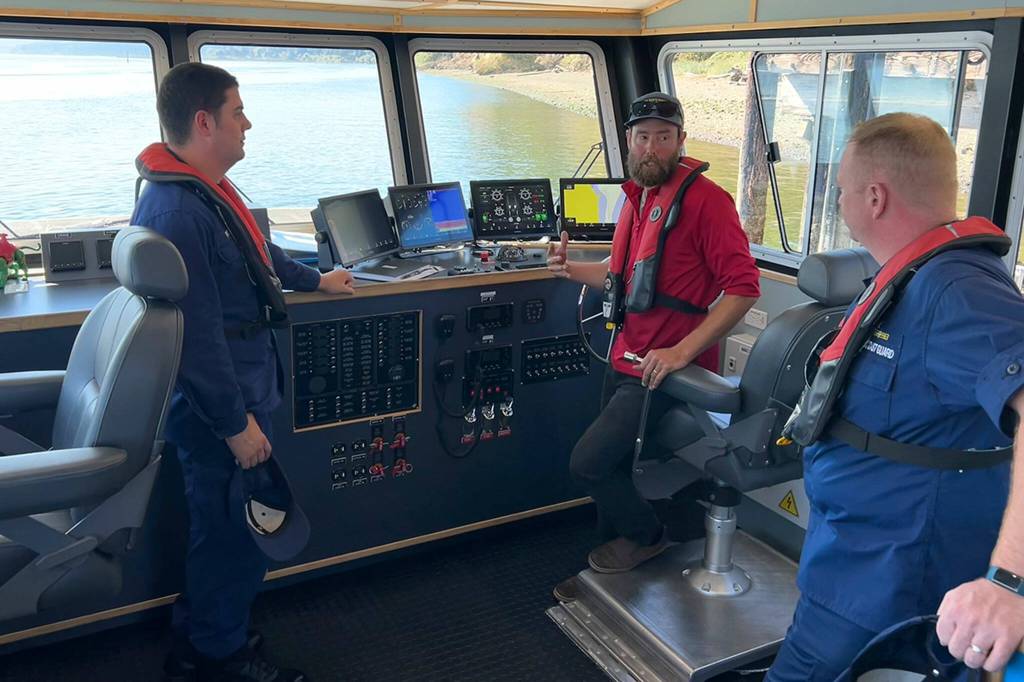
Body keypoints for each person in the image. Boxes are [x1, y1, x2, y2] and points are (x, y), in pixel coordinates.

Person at [766, 113, 1024, 680]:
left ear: (875, 197)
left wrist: (1010, 581)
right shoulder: (916, 276)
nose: (839, 202)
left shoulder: (958, 291)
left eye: (841, 191)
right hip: (856, 562)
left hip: (888, 582)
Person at [131, 62, 355, 682]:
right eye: (237, 112)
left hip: (245, 389)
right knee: (232, 534)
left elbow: (259, 253)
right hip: (222, 408)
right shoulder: (177, 212)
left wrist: (317, 279)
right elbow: (196, 340)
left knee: (230, 529)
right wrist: (236, 426)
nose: (247, 123)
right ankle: (214, 658)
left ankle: (209, 633)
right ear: (204, 123)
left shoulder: (206, 193)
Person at [548, 92, 760, 600]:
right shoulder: (638, 196)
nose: (651, 147)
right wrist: (567, 267)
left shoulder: (708, 202)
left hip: (664, 368)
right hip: (624, 353)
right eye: (642, 137)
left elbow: (744, 288)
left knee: (588, 462)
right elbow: (618, 276)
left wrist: (682, 353)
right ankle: (614, 553)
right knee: (614, 465)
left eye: (663, 137)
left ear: (681, 141)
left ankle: (649, 537)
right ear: (628, 142)